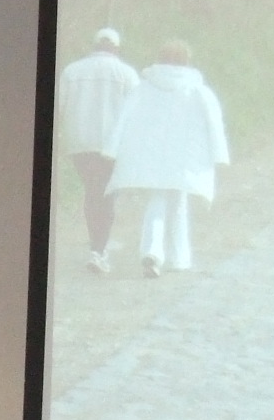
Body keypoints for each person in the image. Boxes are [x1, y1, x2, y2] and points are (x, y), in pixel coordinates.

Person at [105, 40, 230, 276]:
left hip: (151, 157)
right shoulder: (198, 91)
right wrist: (219, 155)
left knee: (157, 200)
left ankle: (152, 251)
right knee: (179, 203)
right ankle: (179, 257)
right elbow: (214, 125)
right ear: (187, 60)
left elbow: (123, 119)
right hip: (185, 159)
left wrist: (111, 150)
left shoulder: (143, 88)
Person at [57, 27, 138, 272]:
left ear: (94, 45)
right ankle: (99, 251)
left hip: (79, 144)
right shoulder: (127, 73)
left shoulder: (71, 71)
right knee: (106, 195)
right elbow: (136, 113)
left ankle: (97, 247)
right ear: (117, 48)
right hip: (112, 145)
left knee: (93, 191)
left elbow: (59, 107)